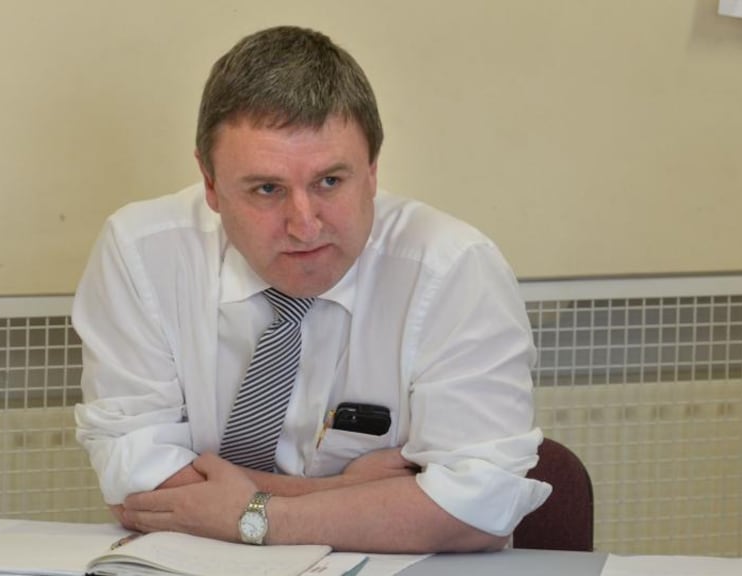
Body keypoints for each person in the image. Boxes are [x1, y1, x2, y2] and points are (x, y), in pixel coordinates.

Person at [72, 25, 551, 554]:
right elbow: (136, 486)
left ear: (371, 171)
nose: (304, 224)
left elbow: (479, 511)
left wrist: (252, 515)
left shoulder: (452, 268)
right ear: (210, 184)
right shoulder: (143, 251)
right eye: (267, 189)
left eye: (329, 182)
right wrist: (342, 493)